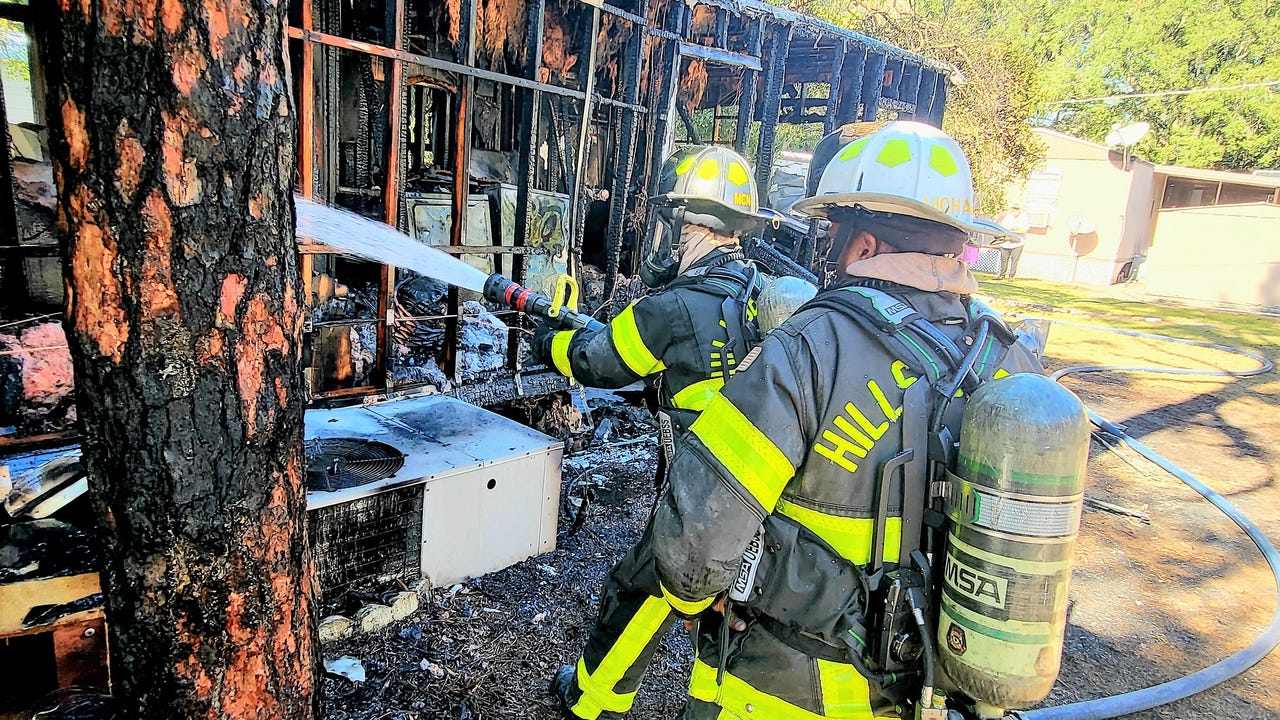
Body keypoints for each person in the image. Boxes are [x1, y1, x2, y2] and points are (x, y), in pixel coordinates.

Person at [648, 121, 1044, 719]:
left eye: (832, 233)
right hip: (941, 691)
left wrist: (691, 597)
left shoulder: (811, 346)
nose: (828, 251)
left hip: (788, 690)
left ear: (864, 244)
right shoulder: (1008, 360)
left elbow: (694, 544)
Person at [532, 145, 765, 720]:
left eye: (676, 221)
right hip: (757, 484)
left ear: (696, 224)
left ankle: (591, 701)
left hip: (702, 492)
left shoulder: (675, 305)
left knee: (641, 590)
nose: (669, 236)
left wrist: (546, 341)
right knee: (724, 607)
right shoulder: (755, 290)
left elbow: (598, 364)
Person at [993, 204, 1030, 279]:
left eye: (1017, 209)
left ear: (1020, 210)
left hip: (1018, 243)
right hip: (1006, 242)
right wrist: (1011, 230)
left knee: (1014, 260)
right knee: (1004, 259)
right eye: (1013, 209)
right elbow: (1003, 229)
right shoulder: (1008, 218)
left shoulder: (1024, 218)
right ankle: (1001, 275)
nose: (1015, 211)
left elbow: (1023, 230)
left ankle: (1011, 276)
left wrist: (1012, 230)